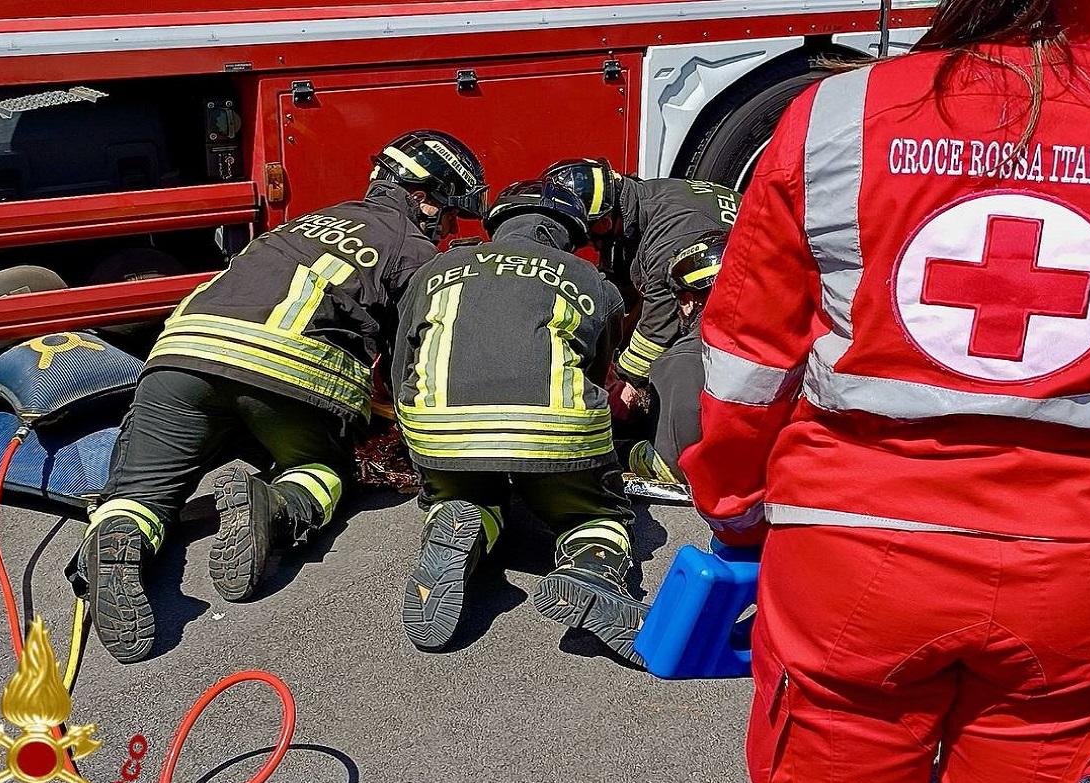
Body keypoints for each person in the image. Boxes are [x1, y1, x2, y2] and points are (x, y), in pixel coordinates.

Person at [679, 0, 1090, 783]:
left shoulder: (837, 113)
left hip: (851, 550)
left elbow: (748, 358)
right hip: (1085, 565)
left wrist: (736, 508)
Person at [71, 130, 486, 663]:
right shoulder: (413, 248)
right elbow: (413, 346)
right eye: (449, 214)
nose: (448, 228)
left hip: (182, 359)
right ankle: (277, 508)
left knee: (138, 490)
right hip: (287, 378)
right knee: (323, 469)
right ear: (423, 197)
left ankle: (119, 534)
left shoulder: (305, 221)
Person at [392, 180, 645, 663]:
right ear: (568, 233)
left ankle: (457, 516)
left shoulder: (434, 270)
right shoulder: (591, 280)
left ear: (498, 223)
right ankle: (592, 564)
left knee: (466, 492)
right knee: (593, 514)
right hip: (554, 429)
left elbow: (403, 360)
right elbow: (596, 372)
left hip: (439, 429)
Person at [540, 159, 740, 409]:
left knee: (671, 378)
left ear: (603, 223)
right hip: (732, 294)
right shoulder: (645, 198)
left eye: (588, 237)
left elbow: (659, 327)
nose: (592, 246)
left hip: (737, 330)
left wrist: (622, 379)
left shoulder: (668, 239)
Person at [625, 230, 725, 487]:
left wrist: (628, 453)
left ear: (688, 301)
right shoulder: (793, 339)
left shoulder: (682, 361)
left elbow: (673, 467)